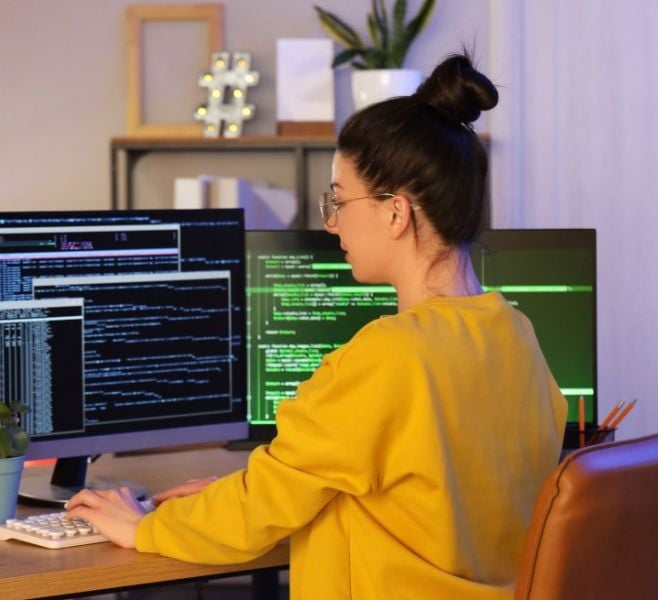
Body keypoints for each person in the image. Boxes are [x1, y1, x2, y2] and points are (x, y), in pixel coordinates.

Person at [66, 52, 567, 599]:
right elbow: (416, 491)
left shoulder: (388, 354)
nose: (332, 224)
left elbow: (260, 509)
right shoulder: (515, 331)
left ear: (396, 213)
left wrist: (143, 527)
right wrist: (235, 492)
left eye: (339, 200)